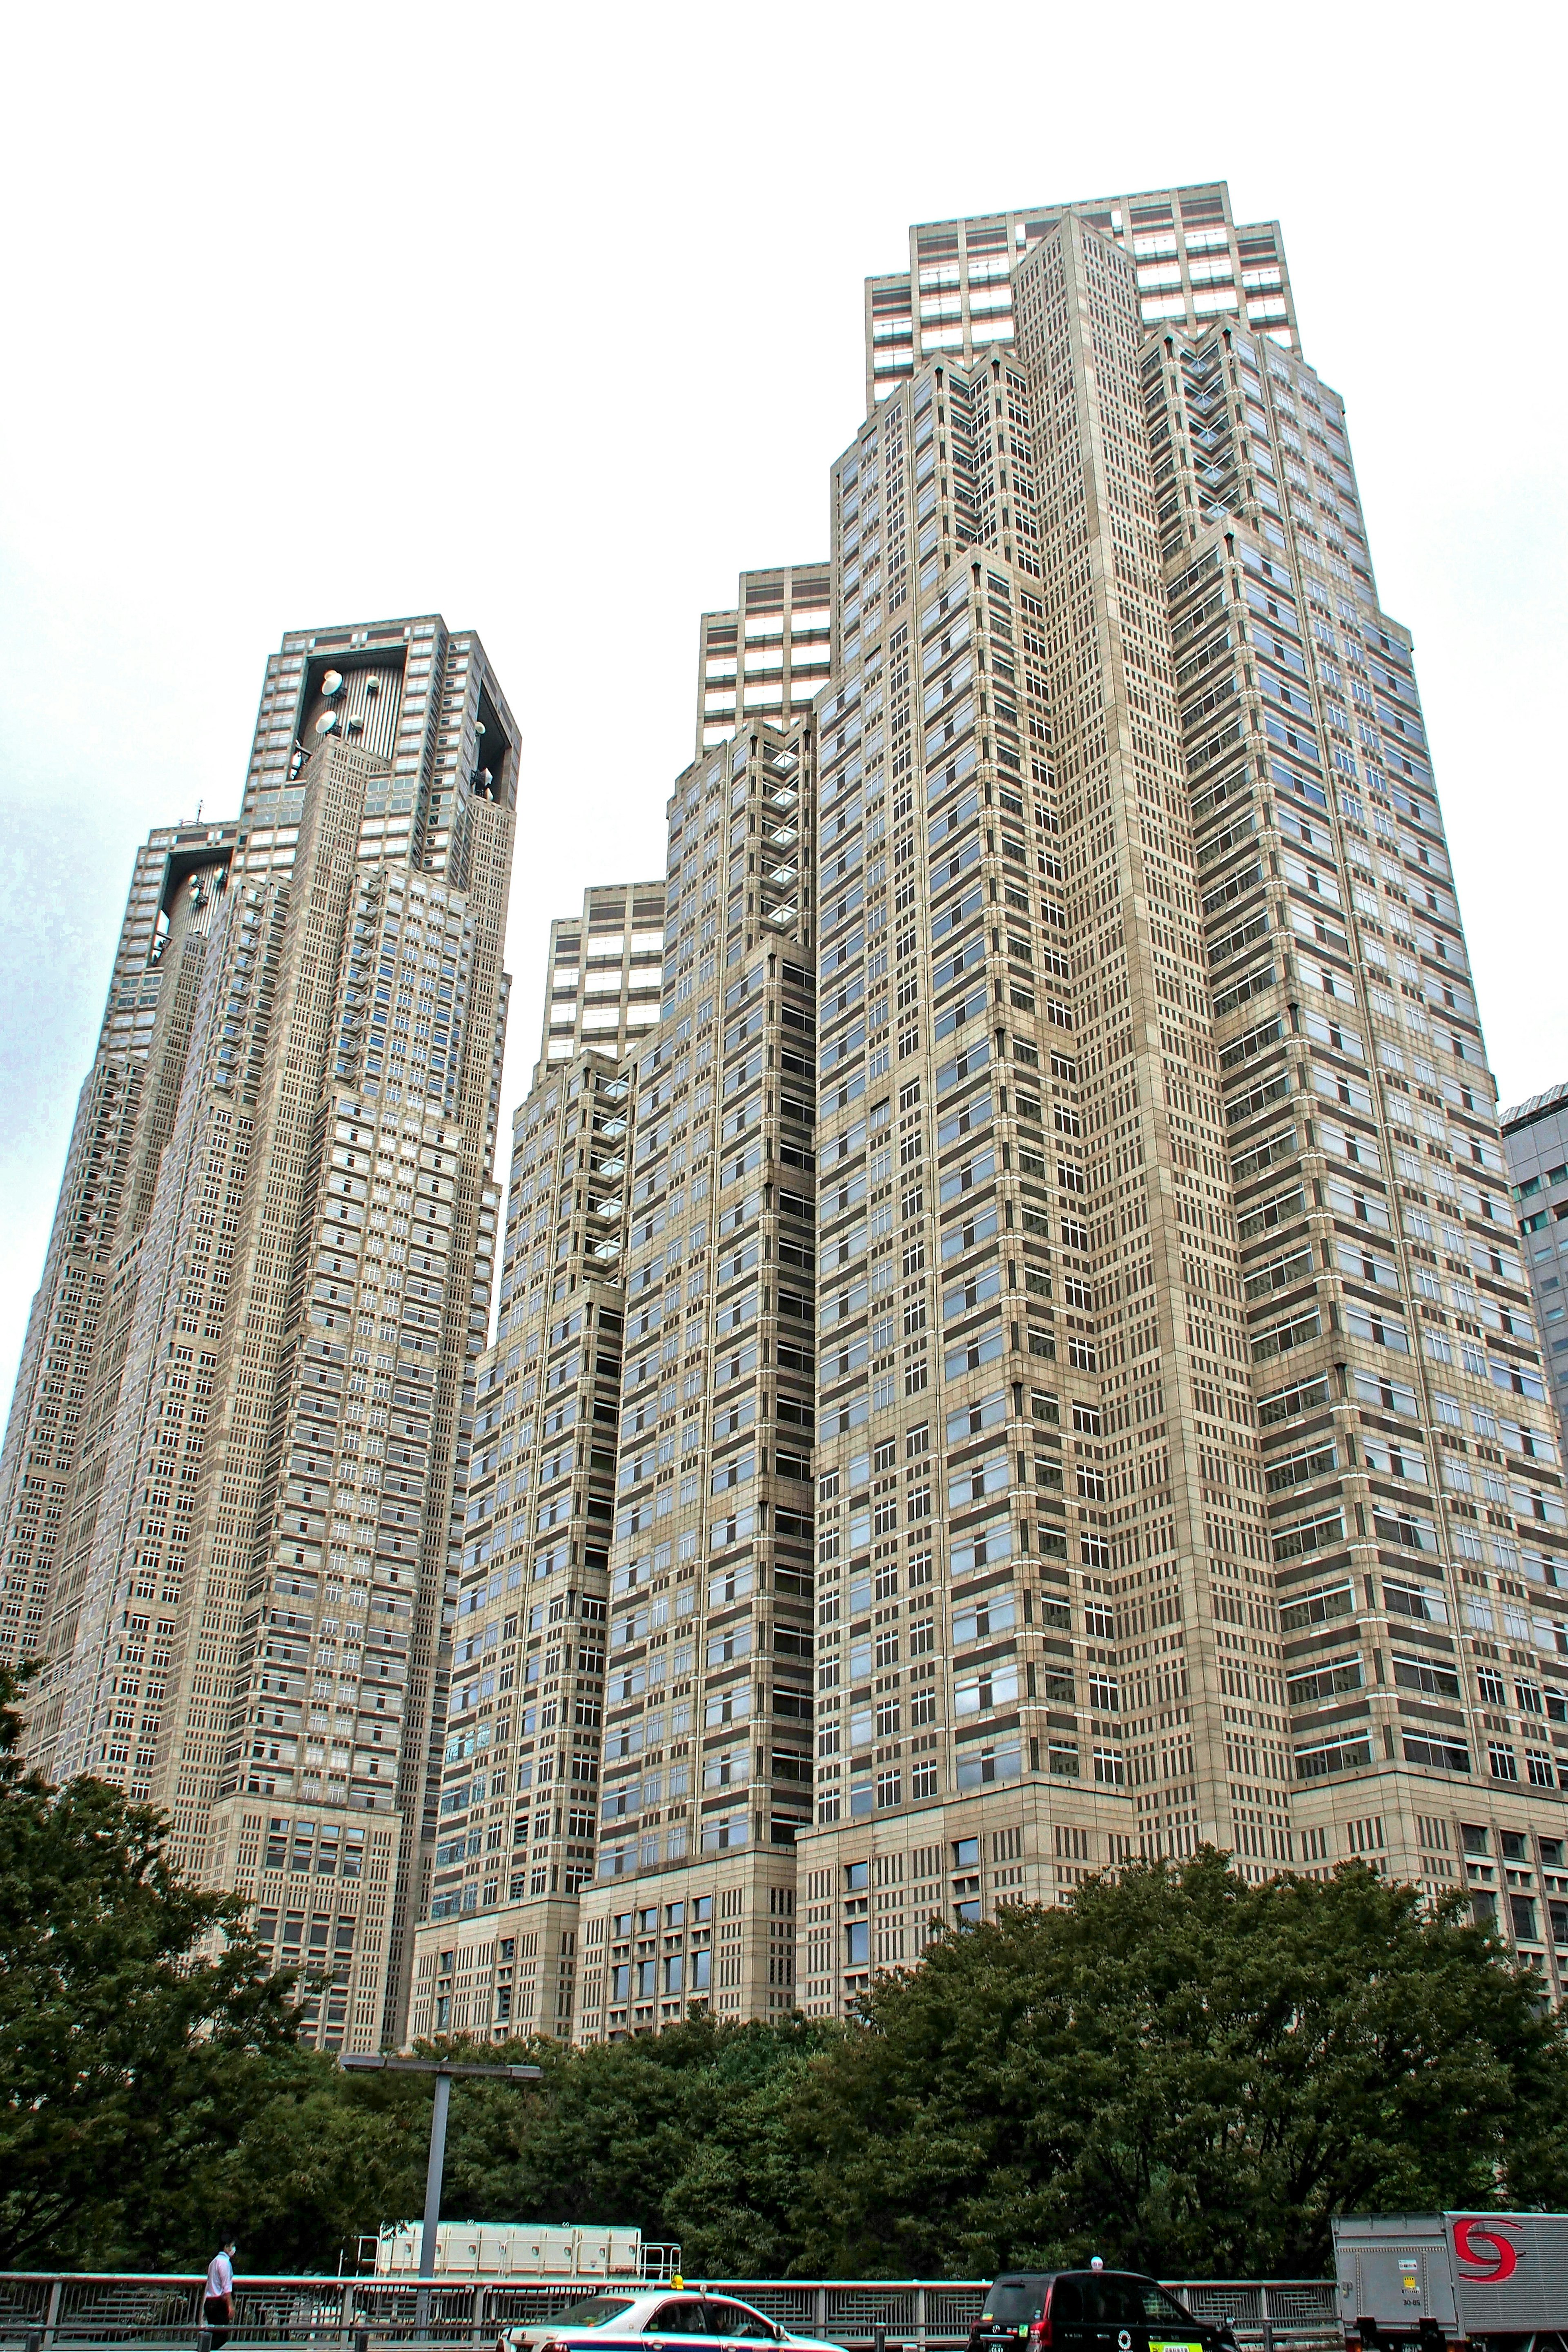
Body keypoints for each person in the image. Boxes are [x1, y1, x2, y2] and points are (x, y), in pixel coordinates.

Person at [205, 2241, 238, 2350]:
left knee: (213, 2335)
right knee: (222, 2337)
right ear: (226, 2247)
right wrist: (231, 2306)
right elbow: (227, 2287)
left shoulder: (214, 2262)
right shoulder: (225, 2262)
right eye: (232, 2246)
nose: (233, 2249)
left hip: (210, 2302)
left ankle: (205, 2350)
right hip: (218, 2303)